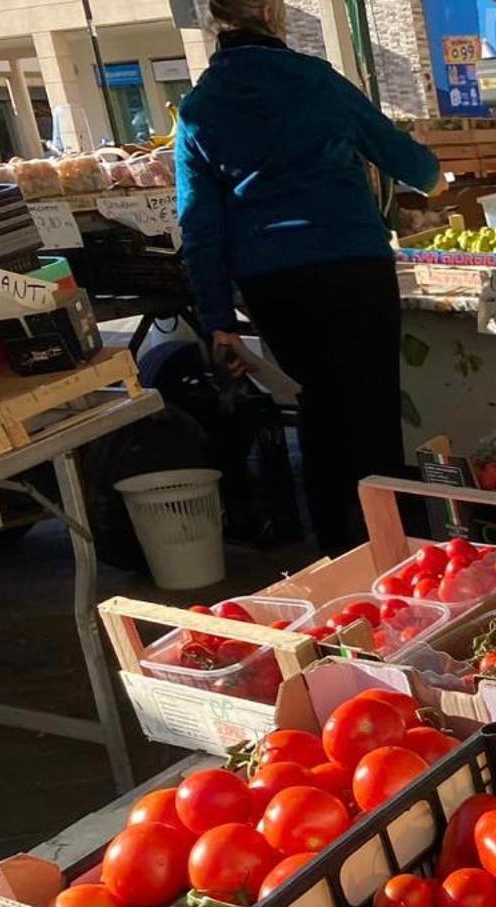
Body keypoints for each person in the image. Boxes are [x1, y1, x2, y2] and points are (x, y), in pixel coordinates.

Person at [173, 0, 440, 550]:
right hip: (353, 265)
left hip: (275, 282)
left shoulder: (200, 106)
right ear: (273, 12)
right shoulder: (317, 80)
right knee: (374, 416)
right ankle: (404, 556)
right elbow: (415, 167)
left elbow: (198, 226)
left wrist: (218, 320)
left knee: (317, 414)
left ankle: (337, 556)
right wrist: (434, 176)